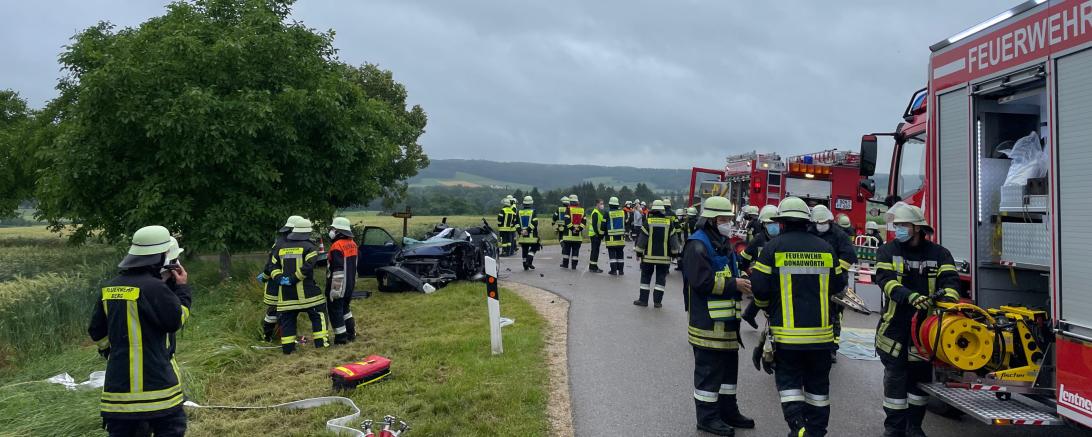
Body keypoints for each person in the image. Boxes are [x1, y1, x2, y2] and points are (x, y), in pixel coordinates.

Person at [750, 197, 846, 437]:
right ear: (807, 222)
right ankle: (816, 431)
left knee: (790, 386)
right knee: (818, 391)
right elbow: (839, 286)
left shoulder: (773, 248)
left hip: (787, 337)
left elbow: (760, 289)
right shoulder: (826, 248)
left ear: (781, 222)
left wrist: (766, 308)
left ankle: (799, 428)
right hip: (822, 338)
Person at [89, 226, 192, 437]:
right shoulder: (155, 288)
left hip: (118, 397)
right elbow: (175, 320)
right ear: (163, 259)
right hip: (159, 392)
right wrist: (181, 290)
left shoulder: (110, 289)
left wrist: (115, 352)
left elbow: (96, 331)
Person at [874, 203, 960, 437]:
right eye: (897, 225)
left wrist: (946, 301)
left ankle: (914, 427)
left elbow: (952, 283)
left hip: (925, 331)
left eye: (903, 225)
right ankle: (894, 429)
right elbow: (886, 281)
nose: (898, 229)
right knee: (895, 381)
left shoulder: (940, 254)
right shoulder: (887, 251)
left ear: (918, 227)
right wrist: (910, 297)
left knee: (919, 383)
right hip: (895, 329)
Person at [681, 197, 755, 436]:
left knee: (728, 372)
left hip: (727, 323)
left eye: (729, 219)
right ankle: (707, 418)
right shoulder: (697, 245)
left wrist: (743, 273)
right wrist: (735, 283)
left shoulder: (722, 242)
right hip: (707, 324)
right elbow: (701, 282)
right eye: (724, 219)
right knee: (709, 373)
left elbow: (727, 270)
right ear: (712, 220)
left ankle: (728, 411)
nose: (728, 224)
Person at [270, 218, 330, 354]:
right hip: (308, 294)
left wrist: (280, 278)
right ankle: (321, 344)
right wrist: (293, 279)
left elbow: (272, 265)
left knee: (287, 320)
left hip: (286, 296)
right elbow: (308, 267)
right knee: (319, 313)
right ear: (307, 232)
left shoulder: (280, 247)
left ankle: (288, 349)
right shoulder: (310, 247)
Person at [809, 205, 858, 364]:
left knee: (834, 316)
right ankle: (813, 345)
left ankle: (832, 349)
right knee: (814, 313)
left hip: (835, 283)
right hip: (813, 282)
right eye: (818, 221)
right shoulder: (809, 232)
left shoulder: (839, 235)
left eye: (824, 221)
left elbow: (849, 256)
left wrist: (834, 272)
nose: (821, 224)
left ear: (830, 220)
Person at [259, 215, 303, 342]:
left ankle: (269, 337)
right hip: (279, 282)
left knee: (277, 311)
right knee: (280, 311)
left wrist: (265, 277)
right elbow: (270, 265)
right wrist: (265, 276)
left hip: (280, 282)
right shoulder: (283, 244)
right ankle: (276, 337)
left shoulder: (280, 242)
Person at [739, 205, 779, 329]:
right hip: (762, 274)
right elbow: (745, 257)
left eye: (776, 222)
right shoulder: (758, 239)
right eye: (769, 223)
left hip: (777, 274)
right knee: (766, 298)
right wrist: (745, 270)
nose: (773, 226)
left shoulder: (781, 237)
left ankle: (749, 314)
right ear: (763, 224)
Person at [634, 200, 680, 307]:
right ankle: (657, 302)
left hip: (648, 258)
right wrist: (674, 254)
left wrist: (639, 253)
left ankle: (643, 301)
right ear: (663, 210)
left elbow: (642, 240)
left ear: (653, 210)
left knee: (645, 278)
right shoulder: (669, 223)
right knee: (660, 279)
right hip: (664, 259)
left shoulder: (648, 222)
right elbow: (674, 241)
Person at [326, 216, 359, 345]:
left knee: (336, 311)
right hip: (349, 285)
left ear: (339, 231)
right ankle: (351, 334)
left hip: (338, 287)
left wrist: (335, 290)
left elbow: (338, 271)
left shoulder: (337, 246)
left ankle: (341, 339)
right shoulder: (353, 244)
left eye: (333, 228)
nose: (331, 231)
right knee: (345, 309)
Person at [602, 196, 627, 275]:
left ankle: (613, 271)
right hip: (621, 238)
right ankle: (621, 271)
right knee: (620, 254)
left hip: (611, 238)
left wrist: (602, 233)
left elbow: (603, 225)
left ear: (610, 204)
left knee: (612, 254)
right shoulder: (622, 212)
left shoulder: (607, 213)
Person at [560, 195, 585, 269]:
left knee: (566, 252)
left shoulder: (568, 209)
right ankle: (574, 266)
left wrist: (572, 229)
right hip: (578, 237)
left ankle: (565, 264)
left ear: (570, 202)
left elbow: (567, 221)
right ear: (577, 201)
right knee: (575, 252)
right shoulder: (582, 210)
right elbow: (584, 222)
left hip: (568, 236)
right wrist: (578, 229)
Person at [517, 196, 541, 270]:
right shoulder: (533, 211)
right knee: (535, 247)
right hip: (532, 236)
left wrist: (520, 231)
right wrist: (527, 230)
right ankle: (529, 261)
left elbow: (516, 223)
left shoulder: (519, 212)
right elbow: (535, 223)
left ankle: (525, 265)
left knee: (524, 250)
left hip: (522, 236)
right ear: (531, 203)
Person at [587, 199, 606, 273]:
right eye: (601, 203)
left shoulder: (598, 213)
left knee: (595, 251)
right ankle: (593, 267)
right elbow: (595, 226)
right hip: (595, 235)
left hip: (595, 235)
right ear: (597, 204)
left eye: (603, 203)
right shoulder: (595, 213)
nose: (602, 205)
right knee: (595, 251)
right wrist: (599, 235)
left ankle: (593, 266)